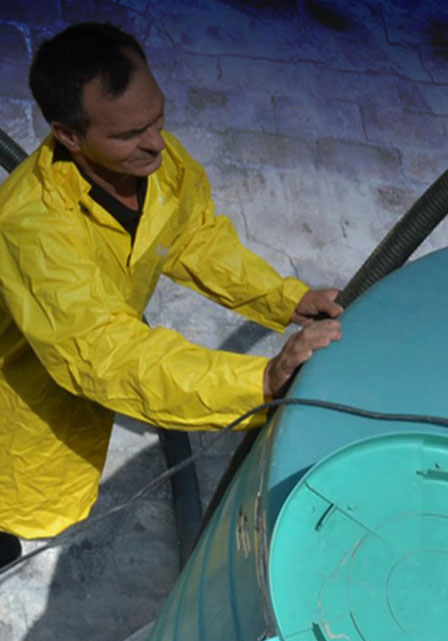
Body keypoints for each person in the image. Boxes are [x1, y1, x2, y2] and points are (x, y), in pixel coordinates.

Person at [0, 24, 344, 567]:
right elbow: (109, 355)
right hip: (26, 388)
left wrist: (285, 298)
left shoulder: (157, 166)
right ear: (68, 135)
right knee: (18, 488)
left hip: (82, 366)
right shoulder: (34, 226)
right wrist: (257, 382)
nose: (157, 143)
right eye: (129, 134)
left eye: (157, 119)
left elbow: (193, 237)